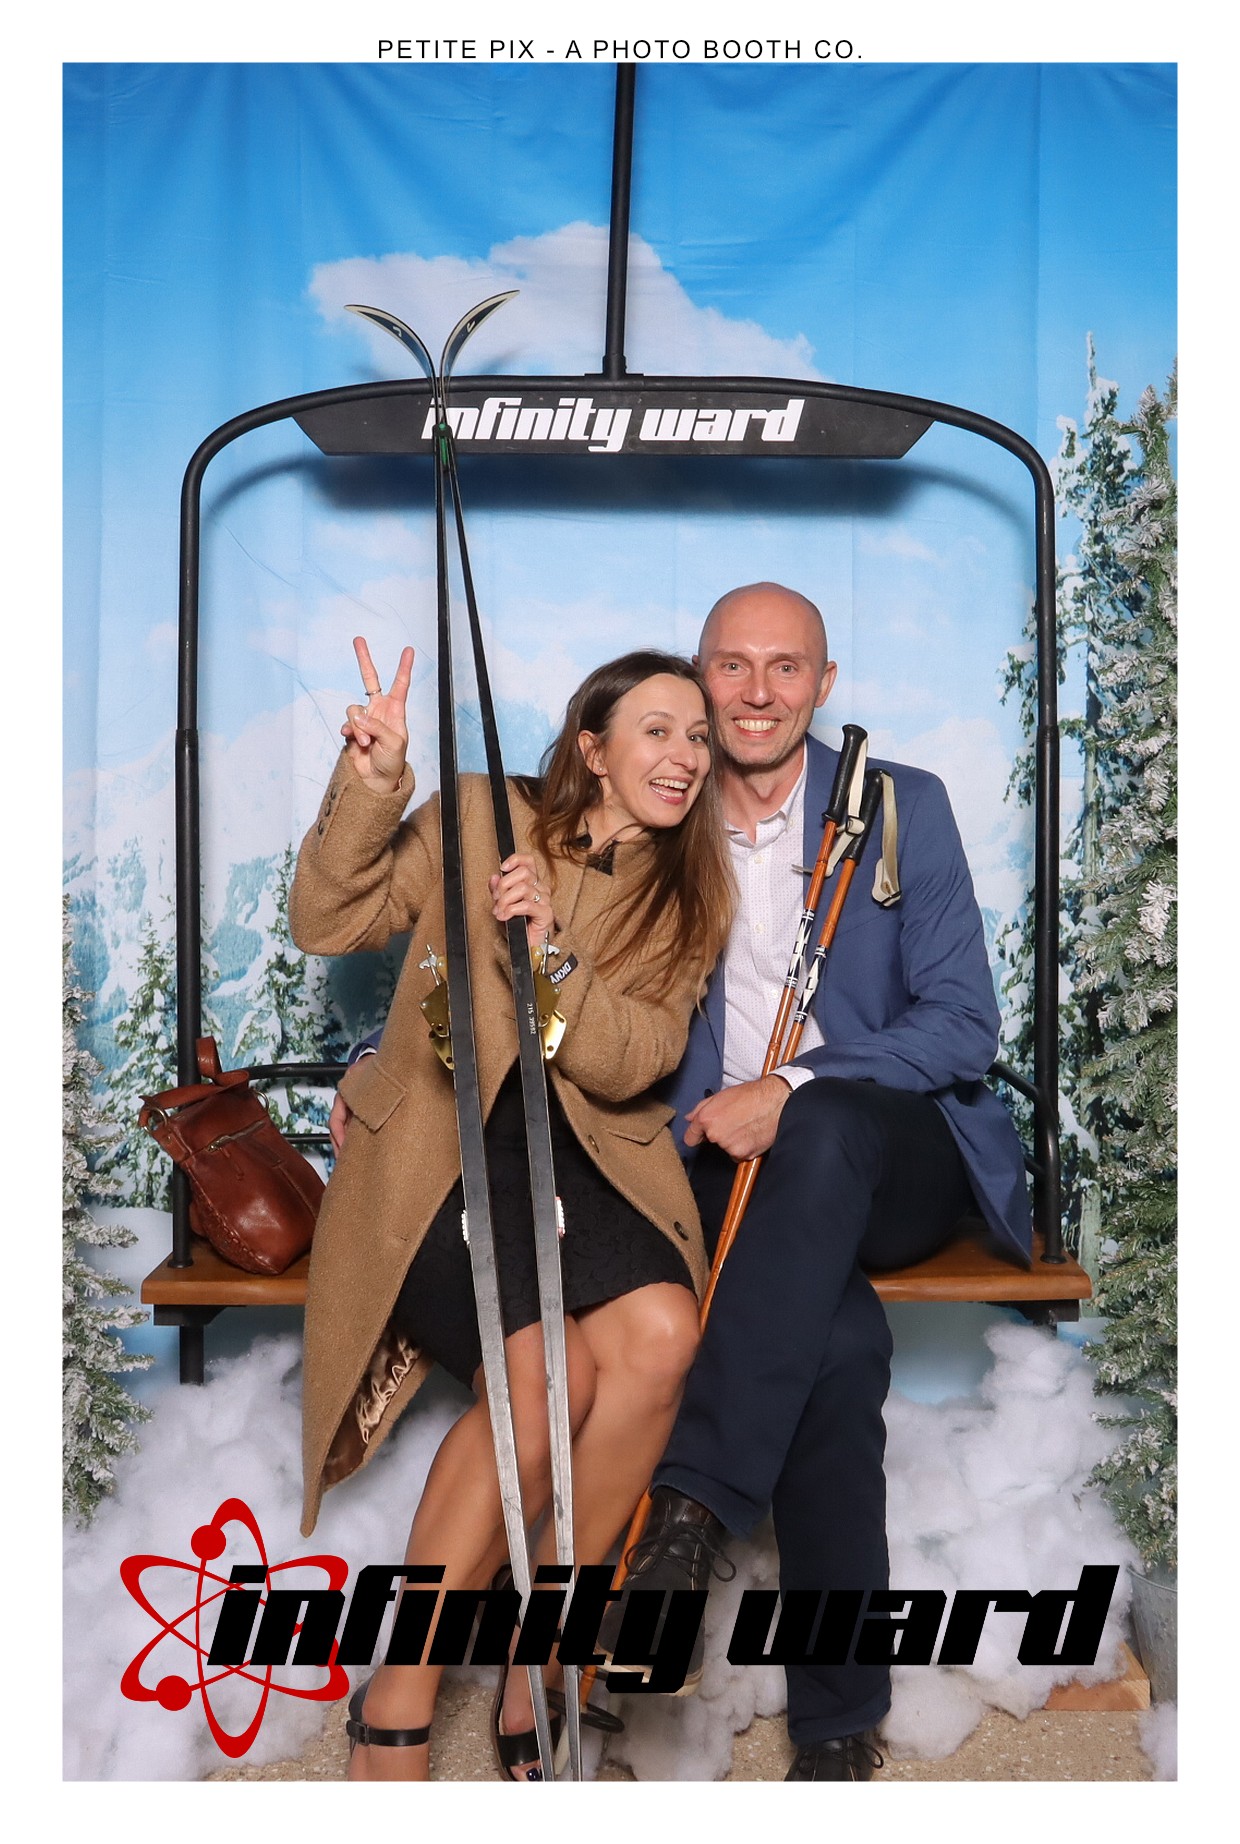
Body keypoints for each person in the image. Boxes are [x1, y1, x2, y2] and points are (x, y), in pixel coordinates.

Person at [594, 582, 1033, 1780]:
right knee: (833, 1350)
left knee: (826, 1118)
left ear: (823, 683)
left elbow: (962, 1023)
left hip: (885, 1153)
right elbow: (522, 953)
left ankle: (687, 1511)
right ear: (698, 674)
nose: (756, 691)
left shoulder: (898, 805)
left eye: (784, 666)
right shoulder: (657, 803)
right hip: (721, 1172)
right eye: (731, 665)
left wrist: (787, 1086)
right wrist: (384, 1061)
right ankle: (839, 1725)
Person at [290, 637, 734, 1782]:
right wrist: (373, 782)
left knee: (662, 1338)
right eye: (657, 729)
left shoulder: (689, 888)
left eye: (696, 735)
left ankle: (548, 1657)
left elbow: (638, 1057)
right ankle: (399, 1694)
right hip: (441, 1156)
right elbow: (330, 921)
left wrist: (553, 954)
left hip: (585, 1160)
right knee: (546, 1382)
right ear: (593, 746)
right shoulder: (482, 811)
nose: (685, 754)